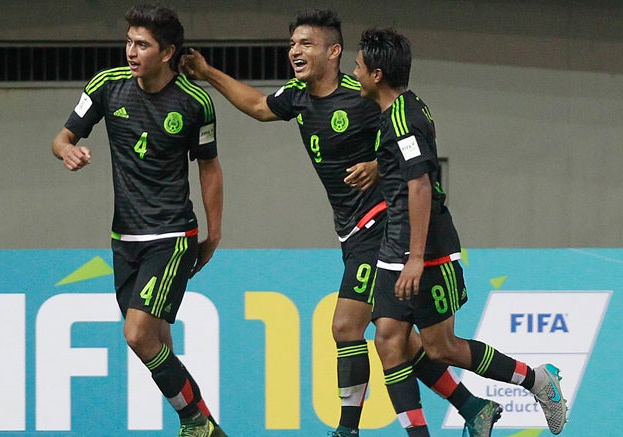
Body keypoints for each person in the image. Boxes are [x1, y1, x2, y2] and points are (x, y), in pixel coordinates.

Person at [182, 9, 499, 437]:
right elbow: (257, 106)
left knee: (346, 326)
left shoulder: (363, 95)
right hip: (351, 232)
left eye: (305, 43)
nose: (295, 51)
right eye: (293, 43)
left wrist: (376, 166)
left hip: (383, 226)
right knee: (404, 344)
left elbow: (410, 152)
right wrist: (207, 73)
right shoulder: (297, 95)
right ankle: (472, 404)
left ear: (333, 52)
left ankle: (347, 430)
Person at [353, 27, 569, 435]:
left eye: (359, 66)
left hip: (426, 251)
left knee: (441, 347)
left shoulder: (404, 119)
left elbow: (419, 185)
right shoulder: (402, 110)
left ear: (377, 75)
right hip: (393, 246)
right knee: (387, 340)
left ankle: (538, 381)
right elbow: (406, 169)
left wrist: (416, 258)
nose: (355, 72)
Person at [51, 5, 225, 437]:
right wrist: (66, 151)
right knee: (157, 343)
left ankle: (192, 422)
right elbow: (63, 136)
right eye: (129, 41)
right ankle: (207, 426)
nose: (131, 51)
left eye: (142, 44)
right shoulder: (107, 87)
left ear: (167, 53)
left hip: (172, 236)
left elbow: (209, 167)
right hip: (124, 238)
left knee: (137, 333)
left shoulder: (195, 102)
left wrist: (214, 232)